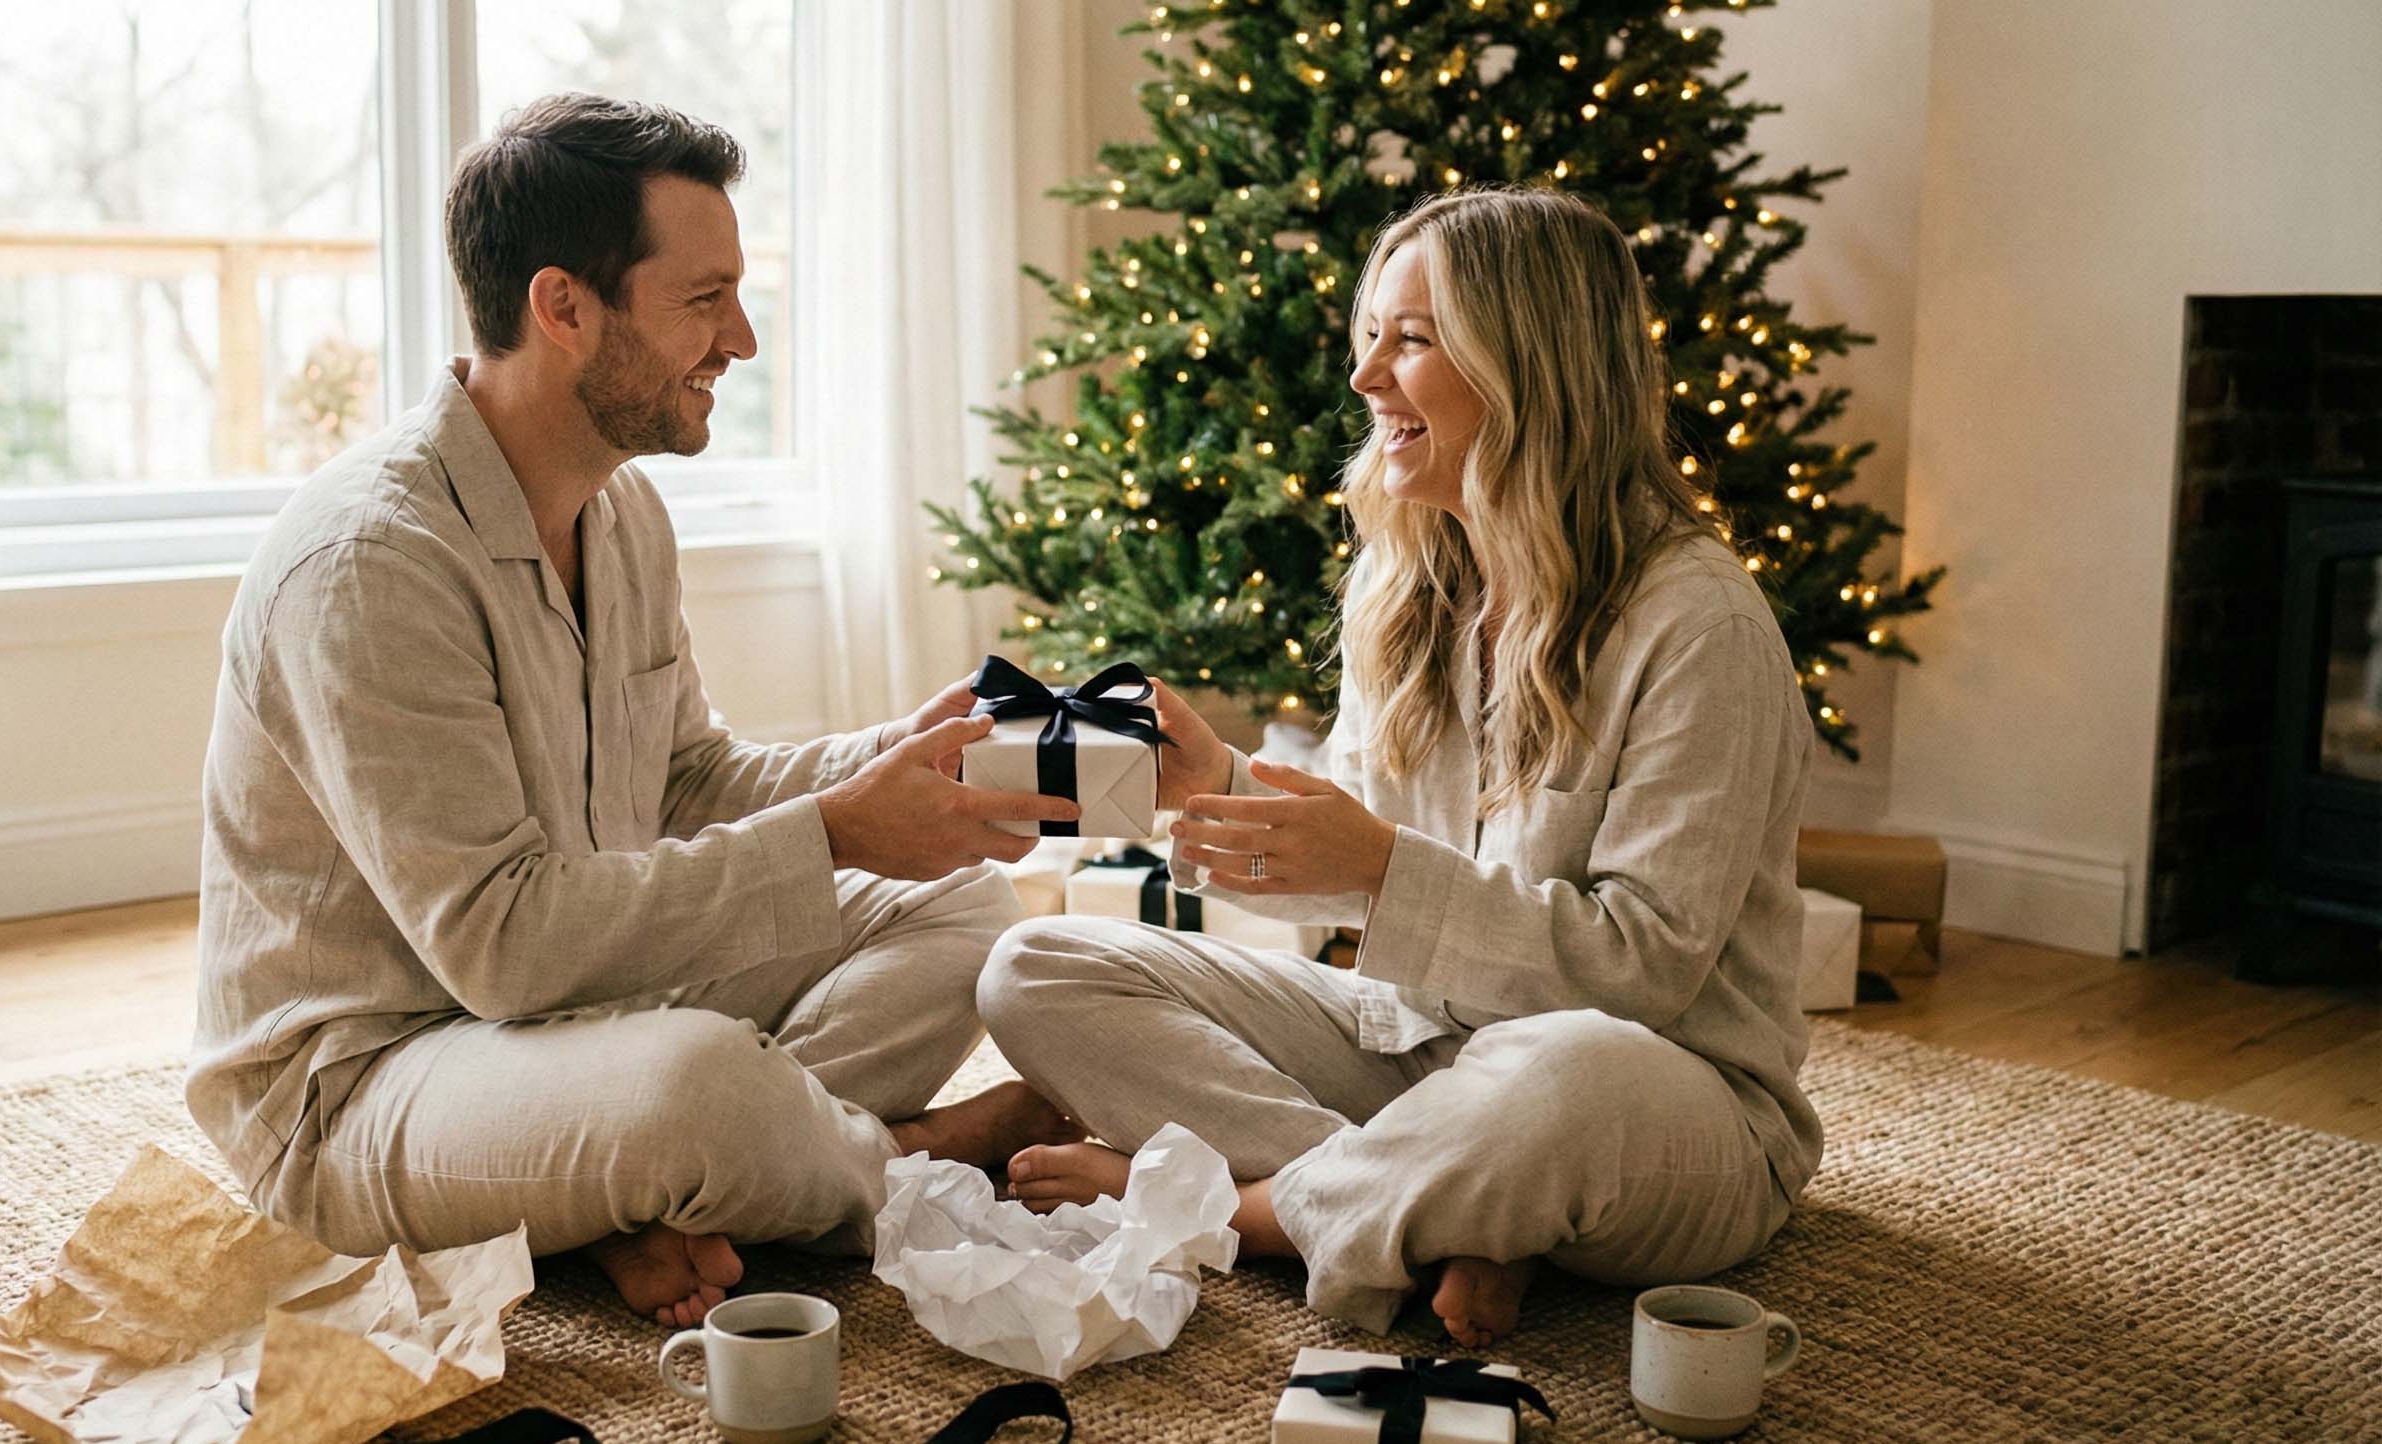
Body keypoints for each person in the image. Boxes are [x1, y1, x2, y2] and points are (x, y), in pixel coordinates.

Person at [188, 94, 1079, 1328]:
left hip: (572, 1016)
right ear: (563, 308)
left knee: (960, 904)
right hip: (369, 1083)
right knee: (696, 1089)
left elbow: (682, 784)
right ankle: (913, 1161)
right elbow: (500, 949)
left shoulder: (617, 510)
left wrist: (889, 764)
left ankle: (659, 1195)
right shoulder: (368, 564)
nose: (744, 340)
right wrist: (831, 836)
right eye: (703, 301)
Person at [978, 185, 1825, 1347]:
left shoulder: (1697, 626)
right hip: (1417, 1055)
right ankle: (1436, 1214)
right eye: (1369, 335)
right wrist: (1214, 785)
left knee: (1559, 1072)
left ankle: (1253, 1211)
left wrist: (1380, 873)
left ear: (1534, 364)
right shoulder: (1410, 581)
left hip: (1657, 1096)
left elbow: (1641, 975)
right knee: (1034, 965)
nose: (1366, 376)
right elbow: (1353, 863)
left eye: (1412, 339)